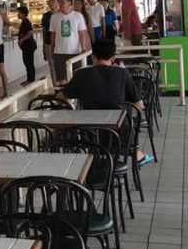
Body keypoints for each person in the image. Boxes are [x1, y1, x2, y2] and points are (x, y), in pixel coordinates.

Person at [56, 39, 154, 167]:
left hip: (90, 133)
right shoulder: (122, 73)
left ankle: (103, 163)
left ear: (93, 56)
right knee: (125, 120)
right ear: (113, 59)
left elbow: (62, 96)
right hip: (119, 133)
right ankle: (134, 155)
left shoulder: (81, 74)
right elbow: (139, 105)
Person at [50, 0, 90, 84]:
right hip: (59, 52)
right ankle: (64, 93)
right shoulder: (54, 17)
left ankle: (75, 93)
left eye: (62, 2)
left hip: (75, 52)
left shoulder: (78, 16)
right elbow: (53, 35)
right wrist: (52, 49)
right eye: (59, 2)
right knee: (62, 79)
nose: (60, 4)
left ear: (70, 3)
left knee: (77, 78)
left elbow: (82, 34)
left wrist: (83, 48)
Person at [41, 0, 60, 83]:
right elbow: (44, 31)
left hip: (60, 43)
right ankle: (55, 86)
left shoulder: (62, 14)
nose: (51, 3)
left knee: (61, 65)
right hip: (49, 43)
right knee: (52, 66)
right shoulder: (46, 16)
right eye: (49, 1)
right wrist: (44, 45)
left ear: (58, 2)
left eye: (53, 1)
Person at [16, 5, 37, 85]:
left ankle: (31, 80)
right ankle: (29, 79)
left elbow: (30, 32)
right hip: (26, 46)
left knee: (29, 63)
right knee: (27, 63)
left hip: (29, 46)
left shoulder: (26, 22)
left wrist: (22, 40)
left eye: (19, 13)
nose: (17, 14)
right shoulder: (23, 22)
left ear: (23, 14)